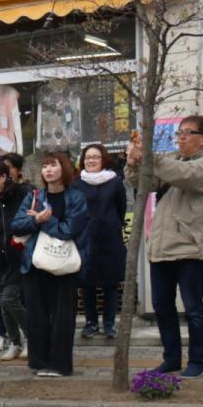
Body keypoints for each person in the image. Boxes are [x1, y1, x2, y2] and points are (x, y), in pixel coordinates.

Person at [126, 115, 203, 378]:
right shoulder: (169, 160)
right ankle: (171, 359)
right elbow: (143, 184)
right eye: (179, 132)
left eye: (187, 133)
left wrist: (149, 158)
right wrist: (134, 164)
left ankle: (197, 362)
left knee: (193, 308)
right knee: (162, 306)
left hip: (189, 247)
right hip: (161, 246)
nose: (180, 137)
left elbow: (184, 175)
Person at [11, 152, 89, 378]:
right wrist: (35, 219)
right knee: (36, 315)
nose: (48, 170)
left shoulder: (76, 197)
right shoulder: (35, 196)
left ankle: (60, 365)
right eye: (44, 166)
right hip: (35, 264)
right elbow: (17, 225)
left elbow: (70, 229)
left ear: (63, 168)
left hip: (65, 264)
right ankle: (40, 363)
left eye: (53, 165)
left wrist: (45, 221)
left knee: (63, 317)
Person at [74, 143, 127, 339]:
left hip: (110, 238)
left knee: (111, 284)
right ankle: (91, 322)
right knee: (87, 283)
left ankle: (109, 323)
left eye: (95, 157)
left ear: (103, 159)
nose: (91, 160)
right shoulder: (77, 183)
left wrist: (113, 224)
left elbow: (121, 208)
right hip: (85, 238)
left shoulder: (115, 181)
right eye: (88, 157)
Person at [0, 160, 31, 362]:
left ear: (3, 177)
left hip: (18, 254)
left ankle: (33, 337)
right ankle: (15, 342)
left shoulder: (20, 195)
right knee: (3, 302)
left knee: (10, 298)